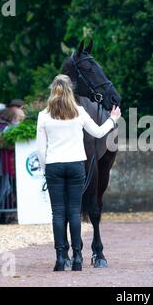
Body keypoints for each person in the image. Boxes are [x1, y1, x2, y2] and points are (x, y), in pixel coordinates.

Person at [36, 74, 121, 272]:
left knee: (58, 212)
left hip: (54, 166)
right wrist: (113, 120)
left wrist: (45, 169)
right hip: (75, 165)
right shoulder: (80, 112)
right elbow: (99, 133)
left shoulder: (43, 115)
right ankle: (77, 258)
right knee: (75, 211)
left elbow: (41, 149)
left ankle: (59, 257)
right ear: (70, 91)